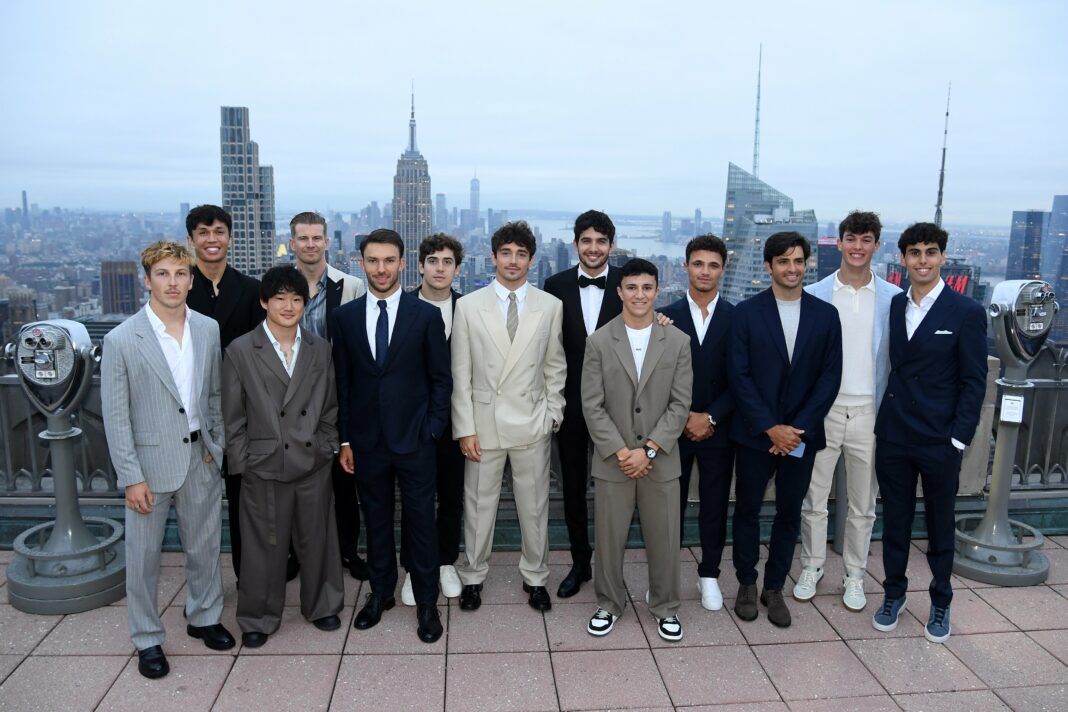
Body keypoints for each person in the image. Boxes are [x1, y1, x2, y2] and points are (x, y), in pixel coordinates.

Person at [102, 240, 235, 679]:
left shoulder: (207, 329)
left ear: (192, 280)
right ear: (147, 280)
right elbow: (115, 415)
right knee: (143, 558)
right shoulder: (122, 339)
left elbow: (213, 393)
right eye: (163, 274)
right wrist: (130, 476)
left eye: (180, 274)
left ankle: (204, 617)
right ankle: (146, 638)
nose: (172, 283)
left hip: (200, 456)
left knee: (205, 546)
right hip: (148, 466)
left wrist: (215, 446)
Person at [332, 229, 451, 643]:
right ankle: (381, 592)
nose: (380, 269)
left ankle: (426, 601)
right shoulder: (344, 318)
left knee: (421, 523)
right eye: (372, 261)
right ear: (361, 263)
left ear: (402, 263)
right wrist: (345, 440)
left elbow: (441, 380)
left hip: (416, 440)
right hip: (366, 442)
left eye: (388, 260)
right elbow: (343, 384)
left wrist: (432, 429)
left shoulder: (426, 316)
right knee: (376, 520)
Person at [872, 222, 987, 643]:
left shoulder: (965, 311)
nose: (923, 260)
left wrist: (957, 438)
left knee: (940, 525)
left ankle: (941, 600)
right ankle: (894, 594)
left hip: (939, 439)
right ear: (903, 258)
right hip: (895, 435)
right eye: (915, 252)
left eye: (931, 252)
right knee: (895, 522)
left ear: (942, 257)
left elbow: (974, 381)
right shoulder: (896, 305)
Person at [221, 264, 345, 648]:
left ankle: (322, 605)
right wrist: (244, 463)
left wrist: (326, 447)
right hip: (264, 464)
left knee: (318, 539)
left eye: (296, 299)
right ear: (264, 302)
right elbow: (232, 417)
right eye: (279, 298)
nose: (288, 306)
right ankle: (257, 617)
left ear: (306, 304)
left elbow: (330, 407)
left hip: (312, 462)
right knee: (262, 547)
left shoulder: (319, 349)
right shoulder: (241, 350)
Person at [728, 232, 842, 629]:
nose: (792, 268)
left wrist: (796, 429)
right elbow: (739, 375)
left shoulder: (825, 315)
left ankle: (774, 587)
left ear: (807, 263)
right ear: (768, 266)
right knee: (746, 510)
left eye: (798, 261)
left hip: (801, 436)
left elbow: (829, 378)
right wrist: (769, 427)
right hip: (755, 434)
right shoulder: (746, 313)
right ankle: (746, 582)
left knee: (789, 514)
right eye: (783, 261)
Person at [451, 220, 566, 612]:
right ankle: (473, 576)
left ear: (531, 260)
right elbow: (461, 374)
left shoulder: (550, 306)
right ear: (493, 257)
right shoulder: (468, 306)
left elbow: (555, 366)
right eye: (506, 253)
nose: (513, 261)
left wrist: (552, 415)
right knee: (478, 507)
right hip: (483, 425)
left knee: (534, 507)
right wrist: (465, 428)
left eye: (521, 254)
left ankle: (536, 577)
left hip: (533, 423)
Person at [581, 258, 692, 641]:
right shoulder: (598, 341)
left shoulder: (677, 341)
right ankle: (609, 603)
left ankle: (665, 606)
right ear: (620, 291)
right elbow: (591, 404)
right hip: (614, 461)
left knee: (665, 539)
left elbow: (680, 403)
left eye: (647, 287)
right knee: (609, 540)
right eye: (631, 287)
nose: (639, 295)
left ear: (657, 291)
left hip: (661, 460)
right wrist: (621, 451)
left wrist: (650, 449)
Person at [797, 211, 900, 612]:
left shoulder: (893, 297)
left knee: (863, 505)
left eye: (866, 240)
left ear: (877, 245)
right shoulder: (816, 293)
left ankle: (855, 574)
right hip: (824, 410)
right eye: (851, 239)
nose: (858, 247)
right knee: (814, 498)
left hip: (870, 412)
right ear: (839, 243)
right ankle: (812, 566)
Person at [184, 204, 268, 583]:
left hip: (241, 415)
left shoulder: (251, 289)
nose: (212, 239)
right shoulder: (180, 289)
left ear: (230, 238)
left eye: (219, 231)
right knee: (196, 507)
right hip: (192, 414)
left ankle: (247, 578)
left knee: (244, 503)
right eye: (203, 232)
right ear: (191, 240)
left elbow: (261, 354)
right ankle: (204, 589)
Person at [543, 210, 623, 598]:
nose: (593, 248)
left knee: (616, 493)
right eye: (586, 241)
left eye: (601, 241)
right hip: (570, 404)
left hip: (618, 407)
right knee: (572, 490)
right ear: (575, 244)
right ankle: (580, 564)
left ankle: (612, 568)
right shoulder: (554, 285)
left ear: (612, 245)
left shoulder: (628, 282)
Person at [288, 211, 370, 581]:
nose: (310, 244)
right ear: (292, 243)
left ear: (326, 242)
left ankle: (348, 551)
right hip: (290, 402)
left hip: (336, 400)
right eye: (303, 238)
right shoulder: (278, 286)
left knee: (344, 481)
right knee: (293, 480)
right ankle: (295, 552)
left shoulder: (350, 286)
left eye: (316, 238)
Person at [658, 235, 734, 612]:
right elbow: (656, 377)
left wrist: (711, 416)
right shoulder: (664, 316)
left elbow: (744, 377)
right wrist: (685, 415)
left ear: (723, 270)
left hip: (720, 427)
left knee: (715, 506)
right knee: (668, 507)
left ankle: (709, 575)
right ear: (686, 266)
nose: (705, 271)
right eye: (698, 264)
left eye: (713, 265)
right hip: (675, 428)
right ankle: (665, 577)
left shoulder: (738, 317)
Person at [397, 233, 466, 605]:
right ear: (420, 265)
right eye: (433, 261)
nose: (440, 268)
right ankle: (414, 566)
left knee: (452, 495)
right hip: (413, 422)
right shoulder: (402, 307)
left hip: (458, 422)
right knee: (414, 498)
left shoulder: (468, 308)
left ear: (457, 268)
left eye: (447, 262)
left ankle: (445, 561)